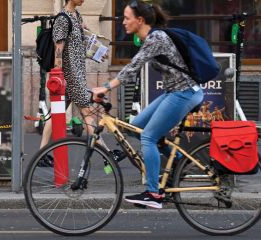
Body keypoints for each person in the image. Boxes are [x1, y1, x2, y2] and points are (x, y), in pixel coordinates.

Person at [92, 0, 204, 209]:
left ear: (140, 20)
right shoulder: (151, 38)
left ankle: (154, 193)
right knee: (137, 127)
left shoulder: (156, 38)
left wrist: (105, 87)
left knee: (148, 137)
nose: (122, 22)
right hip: (175, 91)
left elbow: (133, 67)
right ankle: (178, 161)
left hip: (185, 93)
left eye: (126, 18)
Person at [38, 0, 125, 166]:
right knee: (87, 113)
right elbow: (59, 50)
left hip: (76, 73)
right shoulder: (62, 19)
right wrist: (59, 76)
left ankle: (41, 154)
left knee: (55, 114)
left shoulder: (76, 15)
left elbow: (83, 41)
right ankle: (107, 155)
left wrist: (97, 51)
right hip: (70, 76)